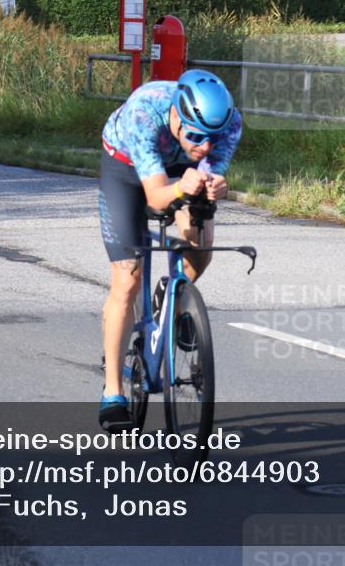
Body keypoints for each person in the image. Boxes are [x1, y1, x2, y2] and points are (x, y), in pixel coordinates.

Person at [97, 69, 242, 431]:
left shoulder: (228, 125)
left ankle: (173, 304)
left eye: (212, 138)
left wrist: (212, 187)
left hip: (180, 165)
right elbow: (157, 197)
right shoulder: (145, 113)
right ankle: (113, 391)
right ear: (177, 116)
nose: (205, 146)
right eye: (196, 136)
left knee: (201, 243)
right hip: (127, 166)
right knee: (127, 278)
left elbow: (206, 174)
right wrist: (180, 191)